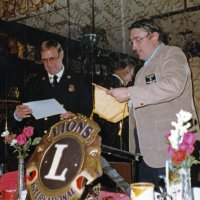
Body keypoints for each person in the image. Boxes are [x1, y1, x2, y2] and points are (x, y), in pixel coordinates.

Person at [106, 19, 200, 188]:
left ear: (154, 36)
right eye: (131, 42)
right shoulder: (142, 71)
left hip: (173, 151)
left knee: (176, 195)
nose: (133, 47)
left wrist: (129, 92)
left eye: (138, 40)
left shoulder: (173, 53)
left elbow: (174, 85)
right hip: (145, 153)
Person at [14, 39, 92, 139]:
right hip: (41, 142)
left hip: (67, 140)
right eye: (44, 60)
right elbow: (25, 116)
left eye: (52, 59)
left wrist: (75, 118)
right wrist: (18, 115)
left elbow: (87, 114)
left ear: (61, 55)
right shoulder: (34, 83)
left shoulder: (79, 81)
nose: (49, 64)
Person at [94, 58, 135, 151]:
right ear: (127, 70)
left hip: (100, 134)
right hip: (114, 138)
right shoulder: (119, 88)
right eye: (131, 75)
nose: (131, 78)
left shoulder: (102, 83)